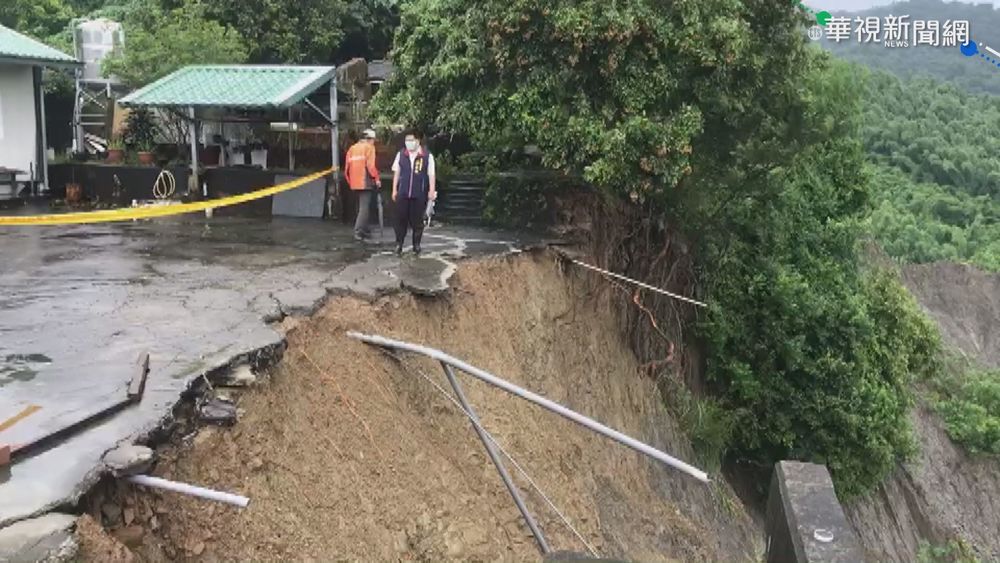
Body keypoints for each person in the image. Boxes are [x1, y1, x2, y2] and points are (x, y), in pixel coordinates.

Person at [391, 130, 437, 255]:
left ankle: (416, 244)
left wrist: (431, 191)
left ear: (418, 141)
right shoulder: (401, 154)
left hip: (419, 193)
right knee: (400, 220)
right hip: (403, 193)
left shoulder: (427, 156)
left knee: (417, 221)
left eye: (411, 140)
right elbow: (397, 172)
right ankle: (399, 244)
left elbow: (431, 174)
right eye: (407, 140)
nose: (408, 143)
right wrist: (394, 189)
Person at [344, 128, 380, 241]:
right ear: (369, 139)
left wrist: (350, 182)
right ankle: (359, 231)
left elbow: (346, 169)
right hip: (365, 181)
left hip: (354, 182)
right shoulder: (369, 148)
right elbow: (370, 166)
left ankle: (364, 229)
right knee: (364, 207)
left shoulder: (352, 148)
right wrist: (377, 178)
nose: (374, 142)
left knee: (360, 207)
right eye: (373, 140)